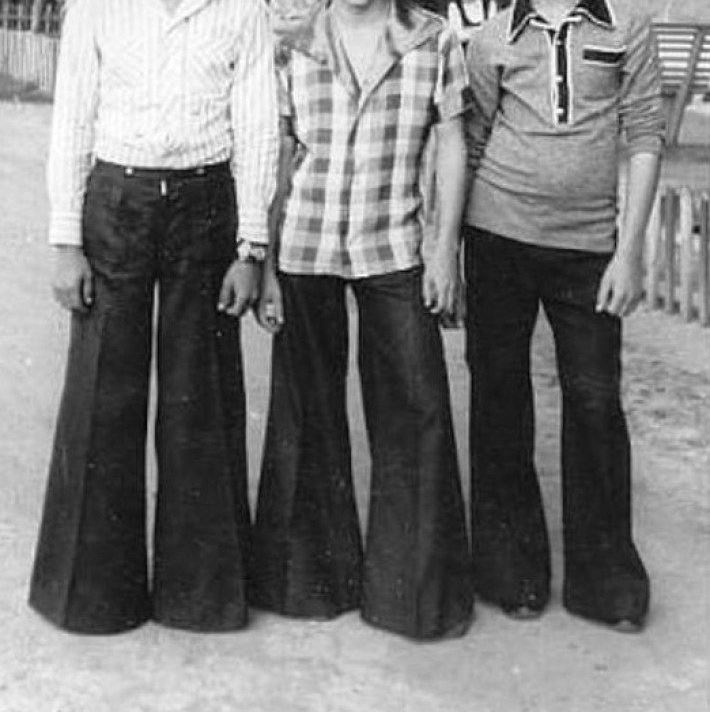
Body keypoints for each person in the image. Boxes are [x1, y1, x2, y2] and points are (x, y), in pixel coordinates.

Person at [29, 0, 279, 634]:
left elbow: (257, 128)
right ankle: (92, 599)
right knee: (101, 398)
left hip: (206, 204)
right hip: (117, 201)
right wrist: (66, 242)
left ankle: (201, 598)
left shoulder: (244, 10)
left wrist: (251, 248)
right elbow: (73, 118)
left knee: (201, 399)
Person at [251, 0, 474, 640]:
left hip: (394, 248)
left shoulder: (433, 39)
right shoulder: (294, 44)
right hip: (306, 246)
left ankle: (413, 599)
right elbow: (277, 154)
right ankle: (308, 584)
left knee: (417, 410)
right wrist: (266, 264)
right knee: (304, 413)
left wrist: (444, 251)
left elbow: (453, 142)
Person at [463, 0, 664, 630]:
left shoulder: (626, 27)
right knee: (499, 399)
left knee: (596, 404)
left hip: (589, 248)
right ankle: (512, 575)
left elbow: (646, 135)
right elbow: (470, 143)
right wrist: (450, 246)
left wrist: (628, 253)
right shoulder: (492, 38)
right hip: (496, 236)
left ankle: (607, 586)